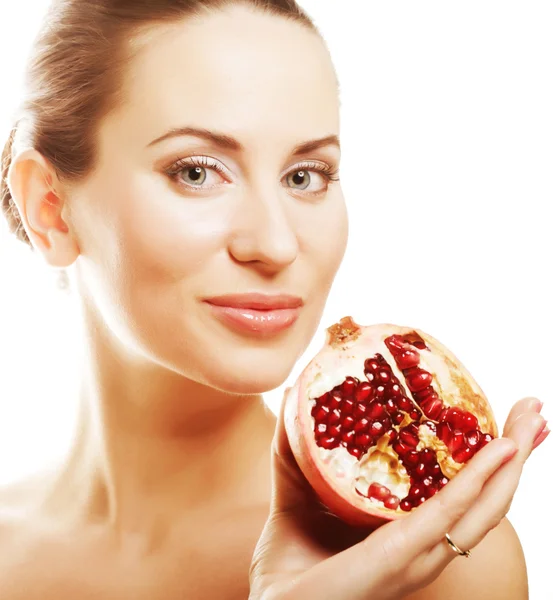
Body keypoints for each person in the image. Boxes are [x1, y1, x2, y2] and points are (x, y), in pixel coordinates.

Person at [0, 1, 548, 598]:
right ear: (49, 209)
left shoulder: (444, 564)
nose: (276, 244)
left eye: (305, 175)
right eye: (197, 172)